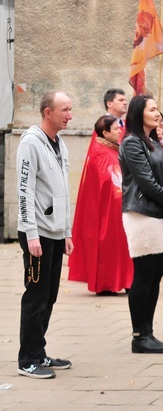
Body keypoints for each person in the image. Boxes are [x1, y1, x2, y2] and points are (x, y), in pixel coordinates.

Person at [16, 91, 75, 379]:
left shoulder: (59, 144)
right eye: (64, 110)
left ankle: (39, 352)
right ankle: (27, 359)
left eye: (71, 110)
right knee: (36, 296)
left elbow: (62, 191)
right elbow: (24, 190)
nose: (70, 115)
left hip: (53, 233)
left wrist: (66, 232)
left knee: (49, 296)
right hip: (36, 234)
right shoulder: (30, 143)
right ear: (47, 112)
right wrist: (31, 234)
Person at [119, 95, 163, 354]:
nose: (158, 113)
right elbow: (146, 182)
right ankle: (139, 336)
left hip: (159, 213)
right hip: (142, 214)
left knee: (156, 274)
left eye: (158, 108)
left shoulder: (153, 141)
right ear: (138, 113)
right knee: (144, 275)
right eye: (152, 109)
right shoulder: (132, 143)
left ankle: (148, 332)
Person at [69, 115, 132, 296]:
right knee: (108, 245)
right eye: (115, 129)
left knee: (124, 245)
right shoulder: (98, 152)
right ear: (105, 132)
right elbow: (107, 181)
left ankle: (126, 280)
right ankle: (107, 283)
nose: (119, 131)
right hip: (107, 210)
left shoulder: (115, 150)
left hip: (120, 207)